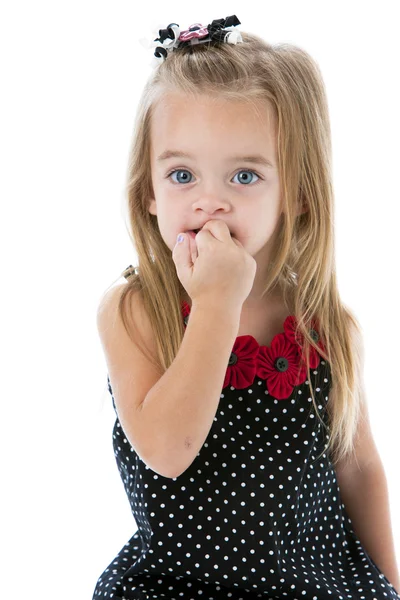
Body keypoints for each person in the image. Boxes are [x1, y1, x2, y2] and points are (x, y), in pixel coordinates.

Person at [92, 15, 400, 600]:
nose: (211, 202)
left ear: (299, 192)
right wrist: (215, 303)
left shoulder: (324, 326)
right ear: (149, 193)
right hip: (177, 584)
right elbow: (167, 452)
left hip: (313, 584)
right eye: (182, 174)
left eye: (244, 175)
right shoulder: (134, 310)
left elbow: (358, 471)